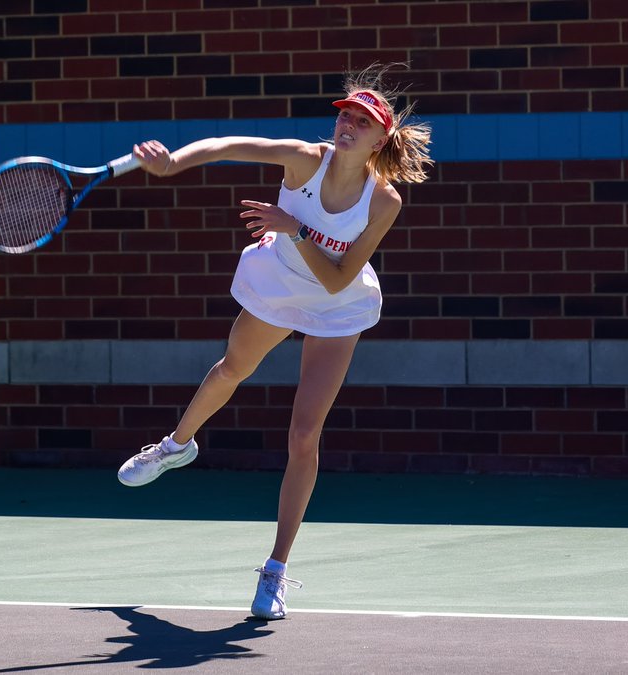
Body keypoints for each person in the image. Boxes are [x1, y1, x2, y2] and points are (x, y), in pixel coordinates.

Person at [117, 64, 432, 620]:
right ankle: (176, 446)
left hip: (337, 303)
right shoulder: (303, 159)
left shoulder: (385, 202)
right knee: (230, 370)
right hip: (279, 282)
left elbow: (337, 279)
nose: (348, 126)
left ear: (380, 139)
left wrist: (296, 228)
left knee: (304, 436)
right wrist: (172, 164)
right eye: (345, 116)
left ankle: (275, 571)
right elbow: (227, 145)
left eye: (363, 122)